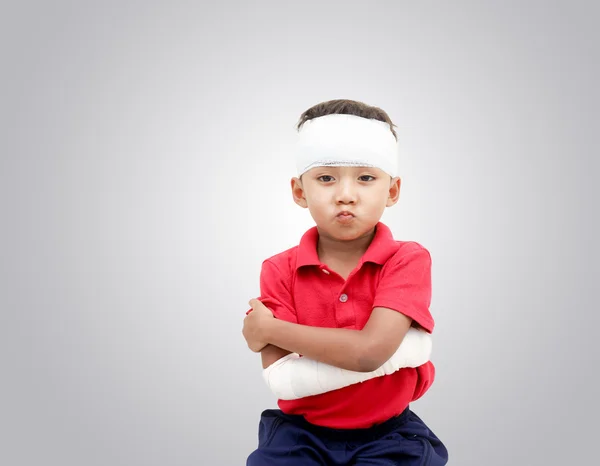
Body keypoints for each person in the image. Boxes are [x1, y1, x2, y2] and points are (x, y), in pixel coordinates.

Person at [242, 99, 448, 465]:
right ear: (300, 191)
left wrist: (268, 329)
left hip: (390, 435)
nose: (346, 195)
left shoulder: (407, 259)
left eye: (366, 178)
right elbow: (281, 377)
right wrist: (272, 333)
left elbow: (369, 354)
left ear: (393, 190)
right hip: (299, 434)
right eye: (325, 178)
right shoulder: (278, 268)